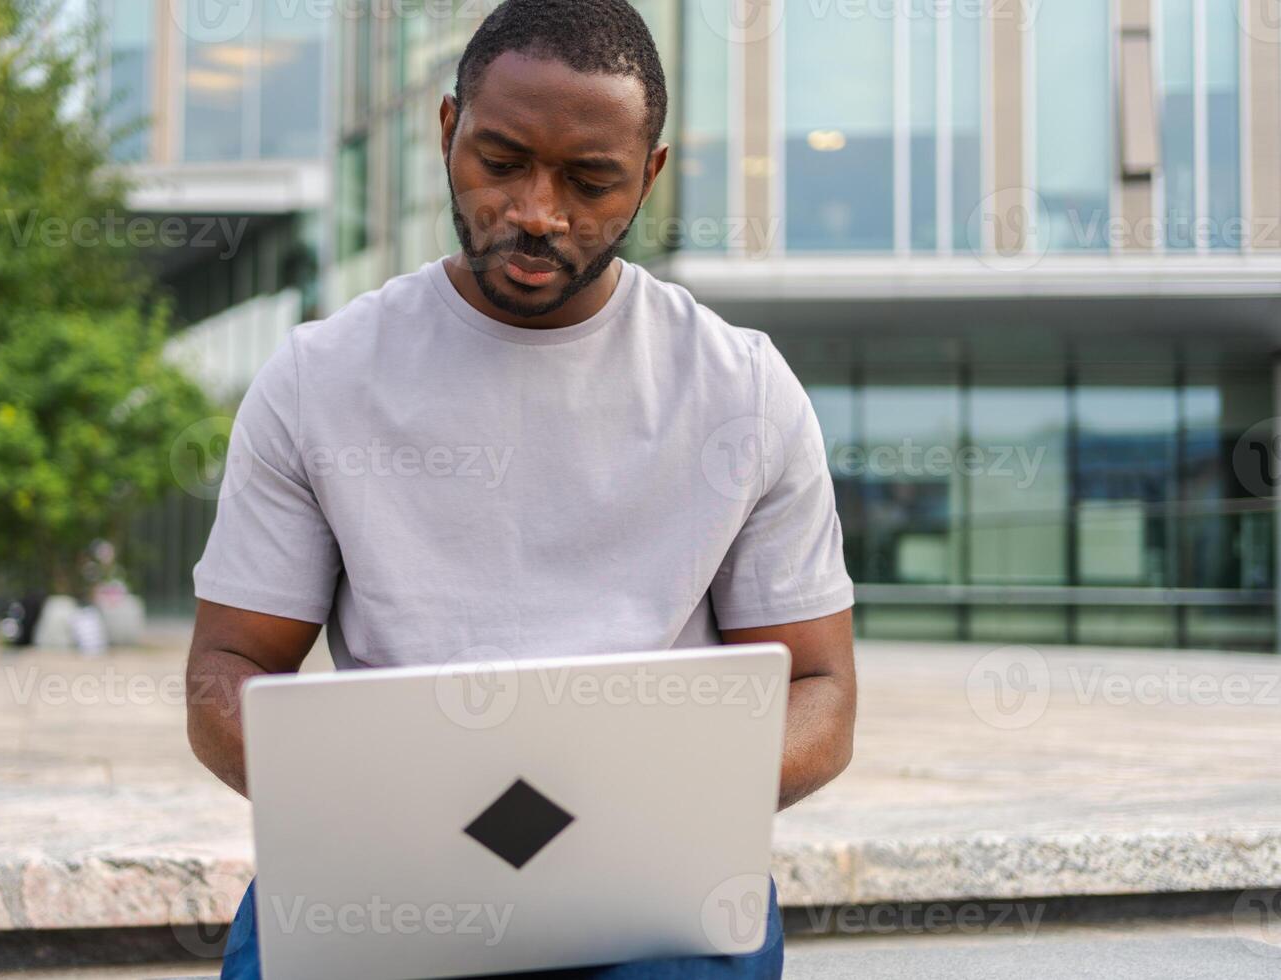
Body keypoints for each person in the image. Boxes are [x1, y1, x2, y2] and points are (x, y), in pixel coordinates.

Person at [185, 2, 857, 976]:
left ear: (651, 176)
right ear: (449, 129)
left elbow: (821, 689)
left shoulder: (739, 389)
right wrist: (373, 811)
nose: (539, 212)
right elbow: (227, 668)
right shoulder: (319, 378)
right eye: (502, 163)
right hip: (383, 861)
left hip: (650, 880)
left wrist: (650, 806)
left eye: (591, 181)